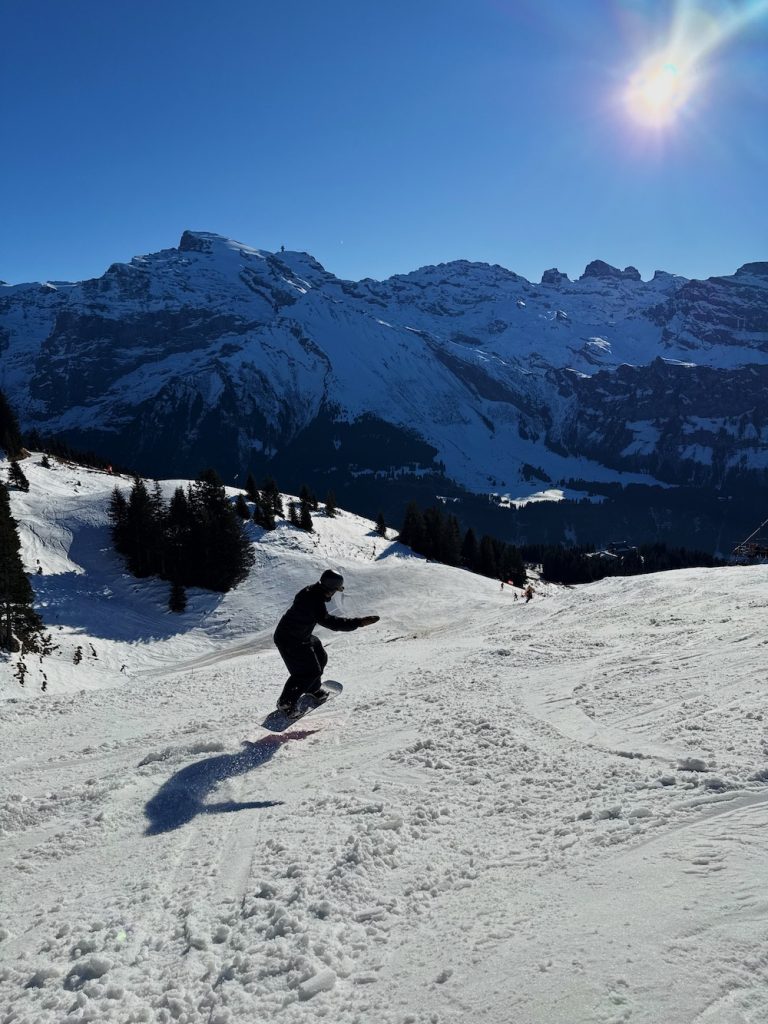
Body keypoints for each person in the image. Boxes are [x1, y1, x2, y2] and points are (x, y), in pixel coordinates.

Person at [274, 568, 379, 717]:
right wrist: (359, 623)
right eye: (335, 590)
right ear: (330, 589)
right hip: (289, 639)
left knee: (320, 656)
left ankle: (312, 688)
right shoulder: (313, 599)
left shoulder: (313, 592)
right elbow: (331, 622)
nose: (335, 593)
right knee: (308, 671)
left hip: (301, 635)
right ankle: (286, 703)